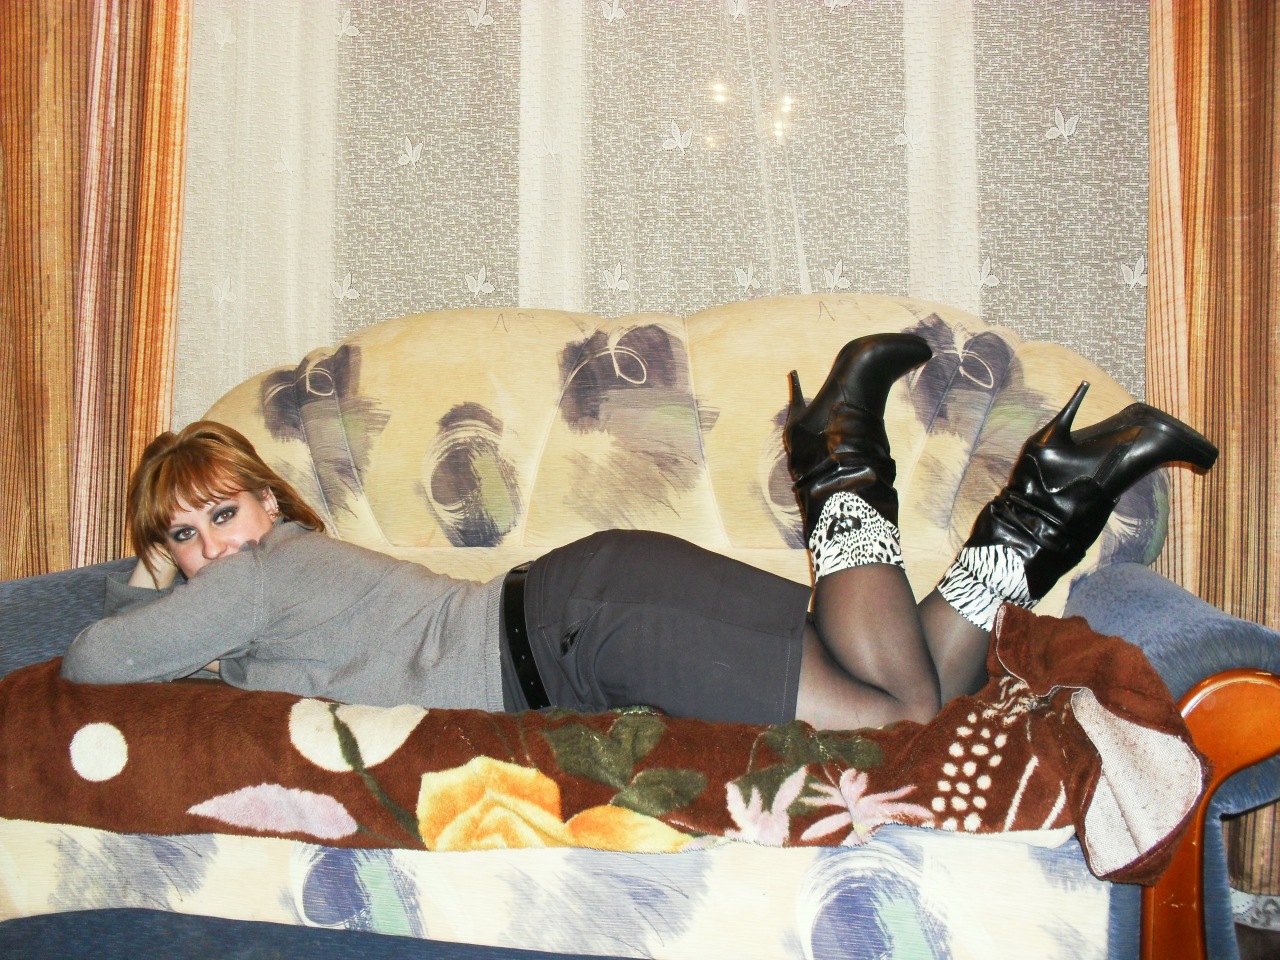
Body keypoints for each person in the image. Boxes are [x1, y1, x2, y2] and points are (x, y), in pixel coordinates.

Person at [61, 335, 1219, 731]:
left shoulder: (256, 577)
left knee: (898, 722)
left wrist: (153, 577)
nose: (212, 545)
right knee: (901, 681)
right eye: (183, 534)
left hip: (577, 634)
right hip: (590, 601)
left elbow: (94, 661)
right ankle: (1052, 497)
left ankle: (834, 451)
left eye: (222, 512)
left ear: (269, 504)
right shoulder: (266, 604)